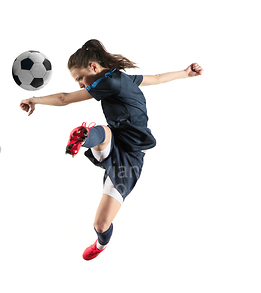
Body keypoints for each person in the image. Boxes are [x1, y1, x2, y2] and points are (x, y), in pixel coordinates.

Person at [19, 39, 203, 260]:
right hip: (114, 138)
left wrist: (34, 100)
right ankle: (84, 136)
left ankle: (101, 243)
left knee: (101, 223)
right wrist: (184, 73)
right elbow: (156, 79)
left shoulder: (111, 83)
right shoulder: (121, 78)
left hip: (129, 157)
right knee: (104, 132)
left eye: (79, 77)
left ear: (94, 67)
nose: (79, 84)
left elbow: (64, 98)